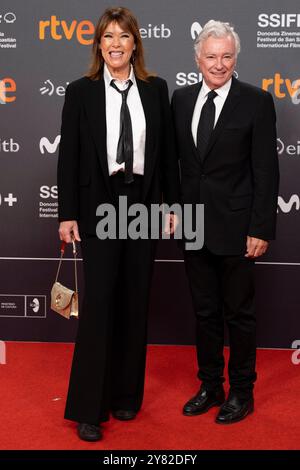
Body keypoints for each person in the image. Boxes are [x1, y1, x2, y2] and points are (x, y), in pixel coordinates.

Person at [57, 6, 179, 441]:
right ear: (99, 45)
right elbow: (68, 157)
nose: (115, 44)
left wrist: (172, 206)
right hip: (98, 204)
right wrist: (67, 213)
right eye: (107, 36)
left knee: (134, 298)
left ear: (135, 45)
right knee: (100, 303)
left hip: (143, 203)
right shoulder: (81, 92)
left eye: (123, 36)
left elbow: (166, 158)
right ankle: (90, 408)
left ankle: (127, 396)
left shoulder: (155, 89)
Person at [172, 20, 279, 424]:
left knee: (239, 314)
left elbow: (266, 171)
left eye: (227, 56)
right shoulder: (180, 100)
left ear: (236, 59)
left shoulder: (256, 101)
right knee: (204, 313)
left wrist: (261, 228)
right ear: (198, 59)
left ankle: (242, 392)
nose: (219, 64)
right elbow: (176, 164)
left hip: (238, 228)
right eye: (211, 56)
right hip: (194, 224)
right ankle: (211, 385)